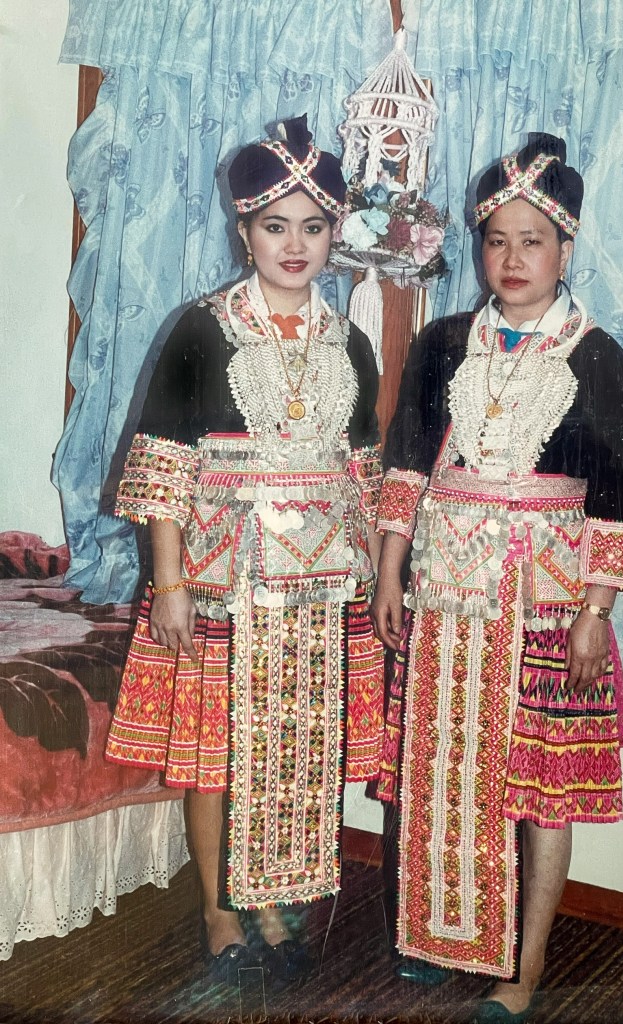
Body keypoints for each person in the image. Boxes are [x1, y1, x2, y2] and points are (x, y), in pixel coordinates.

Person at [371, 133, 623, 1023]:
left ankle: (524, 968)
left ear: (564, 250)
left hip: (546, 608)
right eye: (496, 240)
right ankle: (435, 936)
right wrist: (389, 573)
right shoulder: (442, 344)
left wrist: (594, 612)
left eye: (531, 241)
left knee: (540, 790)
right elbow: (407, 465)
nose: (511, 259)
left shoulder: (596, 355)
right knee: (439, 769)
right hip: (447, 598)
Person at [105, 115, 384, 985]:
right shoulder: (201, 329)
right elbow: (163, 465)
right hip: (222, 579)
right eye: (274, 226)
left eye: (312, 226)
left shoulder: (352, 342)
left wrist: (372, 580)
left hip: (321, 586)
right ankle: (219, 912)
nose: (294, 245)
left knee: (300, 746)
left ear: (334, 233)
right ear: (244, 231)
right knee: (217, 751)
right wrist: (169, 583)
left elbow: (362, 473)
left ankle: (273, 902)